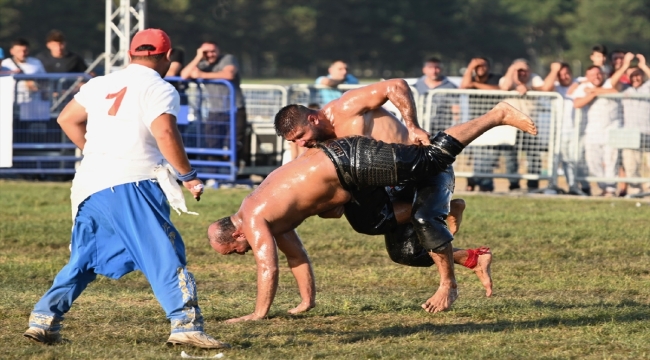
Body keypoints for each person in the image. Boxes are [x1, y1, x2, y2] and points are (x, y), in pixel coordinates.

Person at [208, 100, 537, 323]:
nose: (241, 253)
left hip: (347, 160)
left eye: (234, 250)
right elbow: (297, 257)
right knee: (380, 230)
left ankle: (496, 115)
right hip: (348, 178)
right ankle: (457, 236)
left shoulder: (252, 218)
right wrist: (306, 302)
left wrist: (258, 313)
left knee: (431, 160)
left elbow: (269, 268)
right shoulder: (266, 215)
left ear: (236, 233)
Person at [22, 29, 229, 349]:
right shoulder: (159, 87)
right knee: (164, 252)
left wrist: (94, 152)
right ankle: (185, 324)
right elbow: (165, 133)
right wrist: (188, 175)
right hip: (132, 183)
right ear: (167, 56)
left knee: (86, 257)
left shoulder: (99, 83)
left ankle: (43, 319)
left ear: (131, 55)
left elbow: (67, 119)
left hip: (90, 183)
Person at [276, 79, 493, 297]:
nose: (300, 145)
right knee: (403, 251)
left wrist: (412, 126)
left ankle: (448, 285)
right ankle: (472, 256)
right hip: (394, 185)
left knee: (424, 219)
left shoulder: (345, 107)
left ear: (313, 119)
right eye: (294, 142)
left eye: (300, 137)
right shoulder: (321, 144)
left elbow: (396, 85)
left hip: (424, 167)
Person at [180, 41, 249, 167]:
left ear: (218, 51)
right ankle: (214, 176)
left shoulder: (227, 59)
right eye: (206, 52)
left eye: (213, 51)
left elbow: (229, 74)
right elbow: (184, 75)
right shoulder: (202, 64)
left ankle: (232, 174)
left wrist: (202, 75)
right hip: (215, 111)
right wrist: (198, 57)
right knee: (212, 144)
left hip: (235, 109)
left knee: (234, 144)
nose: (210, 54)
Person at [540, 62, 590, 195]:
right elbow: (545, 88)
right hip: (560, 132)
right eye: (561, 75)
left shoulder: (579, 83)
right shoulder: (555, 87)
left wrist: (577, 84)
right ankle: (563, 185)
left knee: (577, 160)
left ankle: (582, 186)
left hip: (577, 131)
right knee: (561, 160)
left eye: (567, 73)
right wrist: (554, 70)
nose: (565, 77)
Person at [572, 65, 620, 196]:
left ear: (603, 74)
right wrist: (592, 94)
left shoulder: (609, 83)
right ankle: (603, 186)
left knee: (611, 160)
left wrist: (595, 91)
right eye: (592, 75)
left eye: (598, 74)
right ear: (587, 77)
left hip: (611, 129)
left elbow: (615, 92)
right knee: (593, 161)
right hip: (593, 130)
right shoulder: (583, 88)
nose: (596, 77)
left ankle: (610, 189)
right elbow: (577, 103)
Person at [499, 59, 545, 191]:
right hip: (510, 125)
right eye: (519, 70)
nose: (522, 73)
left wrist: (529, 88)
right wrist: (513, 71)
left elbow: (545, 87)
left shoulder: (535, 78)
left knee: (533, 155)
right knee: (510, 156)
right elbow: (505, 86)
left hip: (530, 123)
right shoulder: (506, 78)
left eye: (525, 70)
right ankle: (513, 184)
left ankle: (533, 184)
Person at [609, 53, 650, 196]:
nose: (636, 78)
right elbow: (612, 83)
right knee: (631, 166)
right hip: (630, 135)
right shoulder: (625, 88)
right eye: (632, 75)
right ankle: (636, 190)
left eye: (638, 75)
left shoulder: (647, 87)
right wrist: (625, 66)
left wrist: (643, 66)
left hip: (647, 132)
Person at [459, 57, 502, 191]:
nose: (480, 68)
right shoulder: (470, 78)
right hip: (476, 122)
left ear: (489, 67)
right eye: (477, 67)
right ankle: (477, 181)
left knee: (490, 155)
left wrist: (476, 85)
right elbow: (464, 86)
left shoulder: (495, 78)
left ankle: (485, 183)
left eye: (483, 66)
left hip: (492, 122)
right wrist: (471, 67)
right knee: (477, 155)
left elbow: (498, 89)